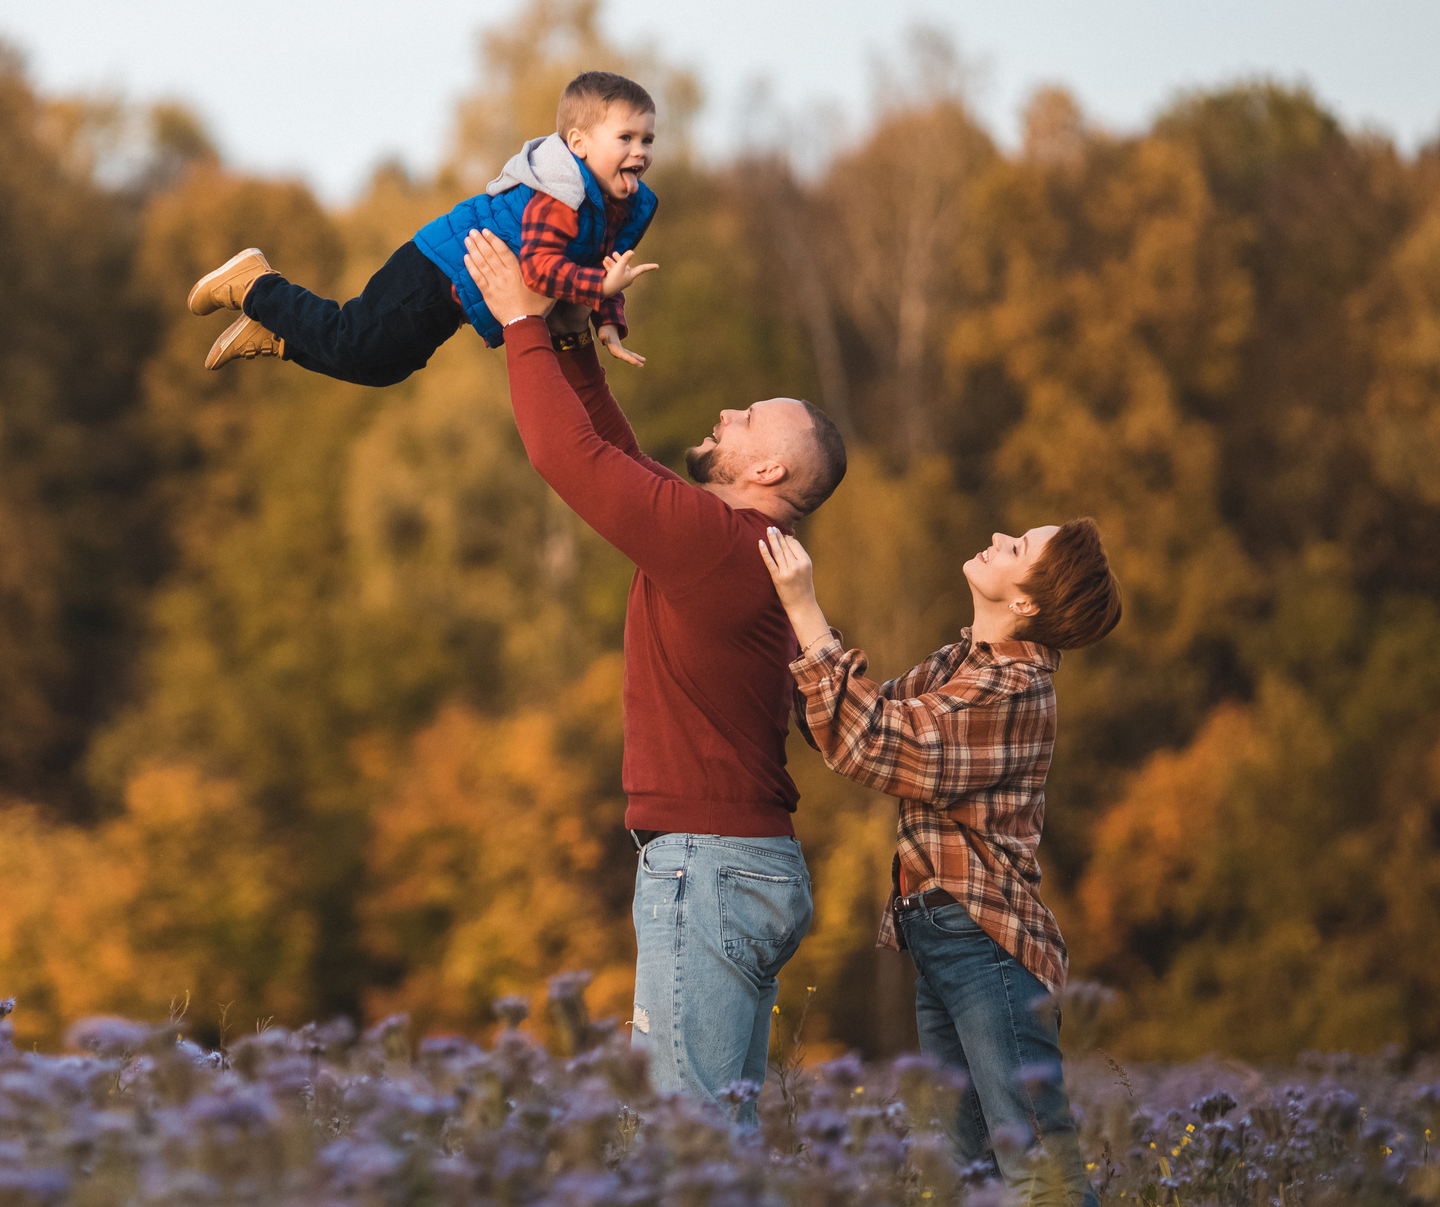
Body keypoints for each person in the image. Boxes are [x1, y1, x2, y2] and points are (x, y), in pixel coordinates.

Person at [457, 225, 848, 1125]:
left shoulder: (719, 547)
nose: (727, 413)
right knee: (716, 1136)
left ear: (769, 467)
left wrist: (519, 321)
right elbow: (623, 460)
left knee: (687, 1147)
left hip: (707, 871)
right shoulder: (740, 546)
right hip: (745, 863)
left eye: (747, 418)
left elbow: (571, 460)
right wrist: (569, 338)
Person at [757, 520, 1120, 1207]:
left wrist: (806, 607)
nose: (998, 534)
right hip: (944, 938)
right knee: (962, 1174)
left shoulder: (1013, 687)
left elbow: (874, 742)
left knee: (1038, 1165)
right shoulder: (960, 664)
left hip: (988, 944)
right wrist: (778, 617)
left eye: (1016, 548)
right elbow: (843, 715)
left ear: (1026, 604)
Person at [185, 71, 661, 380]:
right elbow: (541, 270)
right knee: (357, 340)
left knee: (386, 366)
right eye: (626, 138)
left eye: (647, 139)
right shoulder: (558, 193)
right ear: (577, 143)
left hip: (458, 296)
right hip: (436, 268)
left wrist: (608, 321)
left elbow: (602, 267)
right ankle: (255, 285)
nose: (640, 151)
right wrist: (600, 286)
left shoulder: (622, 207)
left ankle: (281, 332)